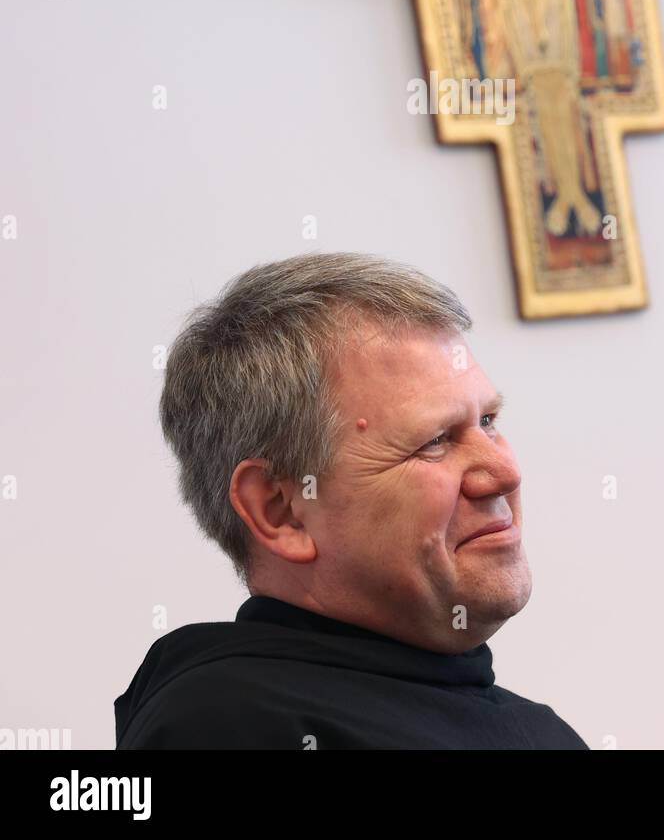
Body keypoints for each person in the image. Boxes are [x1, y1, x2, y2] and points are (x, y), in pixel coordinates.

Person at [114, 253, 589, 750]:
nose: (504, 474)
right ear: (281, 511)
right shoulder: (227, 729)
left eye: (488, 422)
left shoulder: (542, 733)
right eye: (434, 441)